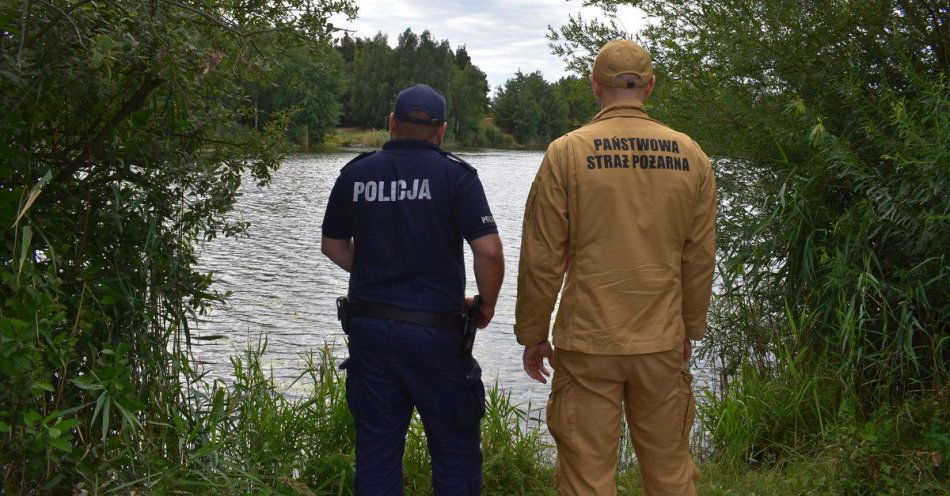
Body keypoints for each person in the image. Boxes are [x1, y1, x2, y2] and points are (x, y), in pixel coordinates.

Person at [514, 40, 716, 496]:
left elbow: (543, 256)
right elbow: (699, 256)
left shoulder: (566, 153)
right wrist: (690, 328)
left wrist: (533, 333)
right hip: (661, 338)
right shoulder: (692, 155)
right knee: (670, 473)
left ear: (594, 86)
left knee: (587, 477)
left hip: (588, 341)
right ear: (650, 86)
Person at [321, 83, 504, 496]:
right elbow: (489, 251)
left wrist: (380, 268)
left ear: (391, 124)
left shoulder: (357, 172)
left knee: (378, 450)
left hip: (370, 332)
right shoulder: (456, 176)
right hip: (436, 333)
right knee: (455, 449)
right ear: (441, 130)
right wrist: (486, 304)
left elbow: (332, 244)